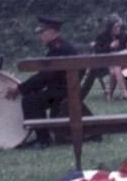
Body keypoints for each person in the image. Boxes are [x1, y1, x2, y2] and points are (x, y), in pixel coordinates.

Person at [5, 17, 79, 149]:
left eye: (42, 32)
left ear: (52, 32)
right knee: (33, 97)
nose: (40, 35)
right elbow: (45, 76)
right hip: (64, 89)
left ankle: (43, 139)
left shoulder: (59, 49)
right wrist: (25, 87)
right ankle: (42, 137)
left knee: (30, 100)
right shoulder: (59, 47)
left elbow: (44, 77)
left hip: (62, 91)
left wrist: (20, 88)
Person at [92, 13, 127, 101]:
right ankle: (124, 91)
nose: (118, 29)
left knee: (115, 69)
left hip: (121, 62)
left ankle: (110, 95)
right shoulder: (102, 36)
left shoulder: (124, 36)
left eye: (119, 27)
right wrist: (109, 47)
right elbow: (97, 51)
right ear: (110, 27)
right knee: (116, 67)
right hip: (105, 63)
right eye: (116, 27)